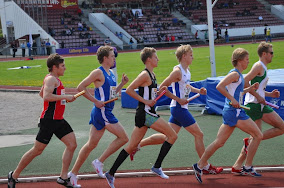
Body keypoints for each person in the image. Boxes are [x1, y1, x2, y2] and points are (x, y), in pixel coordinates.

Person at [130, 45, 223, 175]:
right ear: (184, 56)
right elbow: (163, 87)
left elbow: (186, 85)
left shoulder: (187, 70)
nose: (193, 57)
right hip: (179, 108)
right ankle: (204, 165)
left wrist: (198, 91)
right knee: (199, 134)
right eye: (191, 55)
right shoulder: (177, 71)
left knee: (166, 137)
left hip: (179, 107)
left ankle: (137, 145)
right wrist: (178, 99)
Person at [104, 47, 178, 188]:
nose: (158, 59)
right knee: (172, 136)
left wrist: (160, 92)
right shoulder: (144, 75)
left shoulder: (152, 75)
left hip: (145, 113)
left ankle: (110, 173)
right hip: (146, 114)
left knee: (131, 146)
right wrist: (146, 102)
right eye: (156, 57)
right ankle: (157, 166)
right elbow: (130, 90)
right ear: (149, 59)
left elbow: (149, 94)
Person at [192, 48, 263, 184]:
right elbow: (219, 86)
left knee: (219, 142)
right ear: (240, 61)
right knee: (258, 135)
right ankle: (247, 166)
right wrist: (232, 99)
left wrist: (250, 89)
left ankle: (199, 165)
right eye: (247, 60)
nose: (248, 62)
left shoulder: (239, 75)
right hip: (234, 112)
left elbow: (237, 92)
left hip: (234, 111)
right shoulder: (235, 74)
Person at [8, 53, 78, 188]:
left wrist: (62, 99)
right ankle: (14, 175)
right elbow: (46, 96)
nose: (65, 68)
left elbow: (42, 94)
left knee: (72, 144)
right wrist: (65, 97)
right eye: (62, 66)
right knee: (37, 150)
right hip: (49, 121)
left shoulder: (53, 79)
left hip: (58, 120)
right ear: (54, 67)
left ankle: (63, 178)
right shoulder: (51, 79)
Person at [68, 46, 129, 187]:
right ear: (105, 58)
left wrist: (122, 84)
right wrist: (95, 101)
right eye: (112, 56)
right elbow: (80, 87)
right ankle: (99, 161)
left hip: (103, 112)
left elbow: (112, 94)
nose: (114, 58)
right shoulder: (98, 72)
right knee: (124, 138)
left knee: (91, 145)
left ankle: (73, 174)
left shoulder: (111, 73)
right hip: (103, 112)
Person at [232, 42, 284, 174]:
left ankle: (237, 166)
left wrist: (269, 94)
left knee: (256, 136)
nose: (273, 55)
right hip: (255, 105)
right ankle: (247, 166)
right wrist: (258, 96)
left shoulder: (263, 67)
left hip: (259, 103)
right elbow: (244, 82)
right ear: (264, 54)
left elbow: (257, 88)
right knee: (281, 128)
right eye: (271, 52)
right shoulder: (258, 66)